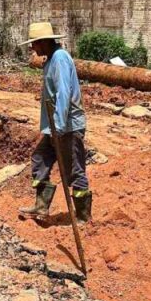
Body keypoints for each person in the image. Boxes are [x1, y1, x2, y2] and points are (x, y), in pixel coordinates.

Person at [17, 22, 92, 223]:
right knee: (39, 158)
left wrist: (58, 127)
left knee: (74, 171)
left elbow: (63, 93)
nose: (33, 48)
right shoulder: (50, 60)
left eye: (34, 44)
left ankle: (84, 217)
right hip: (55, 127)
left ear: (43, 42)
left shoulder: (59, 59)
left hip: (67, 127)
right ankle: (41, 207)